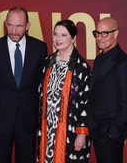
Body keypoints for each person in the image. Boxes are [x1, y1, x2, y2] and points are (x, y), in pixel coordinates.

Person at [0, 6, 48, 163]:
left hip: (27, 119)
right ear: (5, 23)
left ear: (28, 26)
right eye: (10, 25)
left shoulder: (39, 48)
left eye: (19, 26)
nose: (14, 30)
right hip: (0, 118)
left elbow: (40, 82)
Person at [37, 20, 91, 163]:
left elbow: (86, 103)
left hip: (71, 131)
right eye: (55, 34)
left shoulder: (81, 67)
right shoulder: (48, 62)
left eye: (63, 35)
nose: (58, 39)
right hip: (47, 128)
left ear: (74, 38)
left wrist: (82, 133)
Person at [88, 17, 127, 163]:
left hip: (109, 133)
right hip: (97, 131)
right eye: (97, 33)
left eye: (105, 33)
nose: (99, 38)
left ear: (116, 34)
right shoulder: (99, 59)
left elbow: (126, 104)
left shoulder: (123, 63)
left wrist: (111, 132)